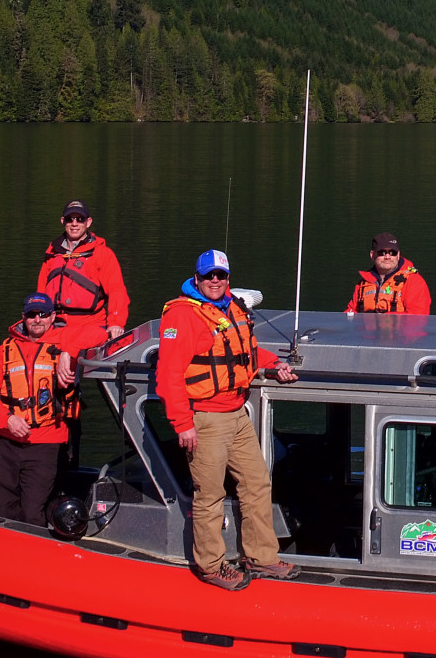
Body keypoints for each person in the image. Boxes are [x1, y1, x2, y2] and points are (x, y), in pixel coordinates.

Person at [157, 249, 301, 590]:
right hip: (205, 418)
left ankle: (261, 555)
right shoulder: (182, 316)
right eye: (209, 276)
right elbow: (169, 375)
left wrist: (271, 363)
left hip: (237, 413)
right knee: (209, 495)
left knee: (256, 482)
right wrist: (182, 423)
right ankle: (210, 564)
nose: (215, 281)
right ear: (197, 278)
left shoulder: (232, 307)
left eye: (220, 275)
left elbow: (244, 351)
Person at [0, 293, 78, 526]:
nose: (37, 320)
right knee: (2, 508)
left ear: (53, 316)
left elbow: (100, 333)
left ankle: (36, 556)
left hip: (45, 443)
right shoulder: (2, 352)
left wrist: (69, 351)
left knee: (33, 512)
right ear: (23, 318)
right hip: (5, 441)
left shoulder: (66, 342)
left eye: (43, 314)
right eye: (32, 315)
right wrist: (7, 419)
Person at [35, 200, 129, 350]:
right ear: (62, 221)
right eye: (69, 219)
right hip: (55, 325)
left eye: (80, 219)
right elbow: (41, 293)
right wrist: (37, 319)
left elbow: (117, 291)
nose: (74, 224)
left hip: (89, 327)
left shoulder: (102, 254)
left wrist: (116, 323)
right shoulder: (52, 254)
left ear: (88, 222)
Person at [345, 232, 431, 315]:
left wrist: (381, 320)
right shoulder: (363, 283)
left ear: (398, 255)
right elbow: (351, 312)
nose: (387, 257)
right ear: (372, 255)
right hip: (367, 330)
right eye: (382, 253)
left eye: (392, 253)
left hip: (401, 330)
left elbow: (418, 318)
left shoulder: (414, 281)